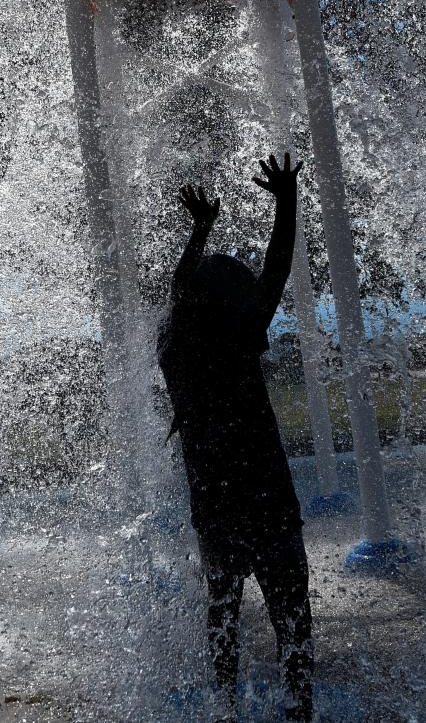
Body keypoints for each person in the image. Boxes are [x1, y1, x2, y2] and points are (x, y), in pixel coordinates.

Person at [158, 153, 313, 722]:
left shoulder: (175, 350)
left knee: (222, 610)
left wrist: (199, 232)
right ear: (235, 304)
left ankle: (225, 707)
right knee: (292, 615)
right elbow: (277, 268)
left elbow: (180, 291)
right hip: (268, 500)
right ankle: (300, 708)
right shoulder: (241, 337)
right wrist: (287, 202)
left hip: (215, 507)